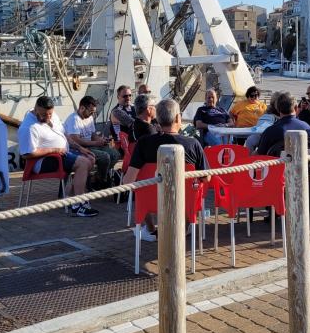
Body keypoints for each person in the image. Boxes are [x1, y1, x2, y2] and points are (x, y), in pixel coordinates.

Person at [124, 99, 209, 241]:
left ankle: (151, 229)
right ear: (177, 118)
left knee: (140, 188)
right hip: (183, 200)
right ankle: (184, 227)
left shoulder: (143, 143)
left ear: (158, 118)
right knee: (195, 190)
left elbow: (128, 181)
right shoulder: (193, 144)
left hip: (151, 201)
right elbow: (206, 178)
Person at [18, 96, 99, 217]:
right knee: (82, 163)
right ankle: (77, 206)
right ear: (36, 109)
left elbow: (64, 135)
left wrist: (80, 148)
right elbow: (27, 154)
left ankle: (73, 199)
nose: (46, 118)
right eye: (43, 115)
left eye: (49, 114)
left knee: (90, 159)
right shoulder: (28, 127)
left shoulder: (53, 116)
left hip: (61, 153)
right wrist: (53, 149)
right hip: (43, 161)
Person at [63, 96, 121, 188]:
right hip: (78, 149)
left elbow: (93, 134)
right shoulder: (74, 119)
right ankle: (101, 181)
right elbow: (76, 140)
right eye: (91, 111)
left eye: (93, 112)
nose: (92, 114)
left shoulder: (89, 117)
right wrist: (96, 143)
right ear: (82, 108)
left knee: (115, 154)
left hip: (90, 145)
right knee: (104, 157)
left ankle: (97, 179)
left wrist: (100, 140)